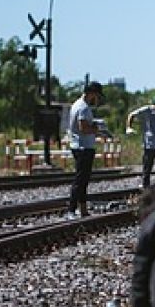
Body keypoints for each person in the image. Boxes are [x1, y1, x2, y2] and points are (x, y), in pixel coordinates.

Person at [67, 81, 105, 217]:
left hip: (79, 145)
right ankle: (71, 209)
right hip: (84, 147)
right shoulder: (83, 108)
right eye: (97, 96)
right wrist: (96, 129)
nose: (97, 99)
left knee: (83, 180)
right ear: (92, 94)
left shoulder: (76, 105)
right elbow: (83, 128)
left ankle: (83, 209)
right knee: (80, 180)